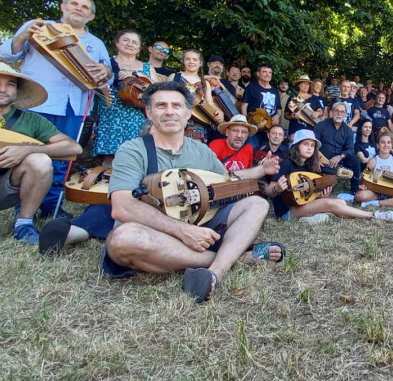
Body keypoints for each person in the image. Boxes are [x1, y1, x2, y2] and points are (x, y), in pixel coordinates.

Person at [96, 81, 283, 303]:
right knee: (122, 240)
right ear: (148, 112)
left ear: (187, 114)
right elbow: (123, 206)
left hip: (200, 222)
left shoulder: (201, 151)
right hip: (154, 233)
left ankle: (216, 271)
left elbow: (229, 181)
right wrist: (183, 231)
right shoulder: (132, 150)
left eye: (176, 106)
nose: (169, 112)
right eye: (161, 106)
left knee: (257, 204)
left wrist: (261, 170)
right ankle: (235, 257)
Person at [0, 0, 113, 218]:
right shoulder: (40, 28)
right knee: (27, 155)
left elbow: (107, 77)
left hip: (74, 108)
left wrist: (106, 71)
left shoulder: (96, 44)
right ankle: (23, 207)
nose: (79, 9)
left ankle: (52, 207)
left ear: (91, 16)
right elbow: (8, 55)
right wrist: (23, 37)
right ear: (63, 6)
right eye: (74, 4)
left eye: (85, 7)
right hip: (36, 104)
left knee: (64, 159)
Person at [0, 63, 82, 244]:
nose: (2, 89)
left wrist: (27, 150)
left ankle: (24, 224)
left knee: (39, 160)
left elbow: (74, 148)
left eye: (10, 84)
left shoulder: (31, 120)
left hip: (6, 186)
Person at [266, 130, 393, 224]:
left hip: (301, 204)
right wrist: (277, 188)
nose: (310, 148)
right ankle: (373, 215)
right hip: (287, 210)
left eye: (312, 146)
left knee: (341, 202)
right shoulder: (287, 164)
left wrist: (321, 196)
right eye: (305, 144)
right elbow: (269, 191)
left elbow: (306, 194)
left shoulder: (310, 166)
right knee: (329, 204)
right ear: (296, 146)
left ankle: (317, 215)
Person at [93, 29, 157, 167]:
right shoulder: (107, 64)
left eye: (135, 42)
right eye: (126, 40)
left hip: (138, 116)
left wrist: (135, 76)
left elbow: (157, 90)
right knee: (110, 157)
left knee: (137, 157)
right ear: (117, 43)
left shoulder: (147, 67)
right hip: (111, 114)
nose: (130, 44)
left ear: (139, 48)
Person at [314, 102, 361, 198]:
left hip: (340, 159)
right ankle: (331, 177)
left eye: (342, 112)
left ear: (345, 114)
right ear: (332, 112)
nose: (339, 114)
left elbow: (350, 150)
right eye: (337, 111)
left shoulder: (348, 130)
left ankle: (355, 191)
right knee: (319, 167)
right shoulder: (321, 125)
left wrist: (340, 156)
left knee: (355, 161)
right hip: (322, 160)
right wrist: (315, 160)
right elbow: (313, 144)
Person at [354, 131, 393, 209]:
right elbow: (365, 179)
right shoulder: (373, 161)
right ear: (378, 145)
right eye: (383, 142)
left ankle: (376, 203)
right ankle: (388, 202)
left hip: (392, 192)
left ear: (391, 145)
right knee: (359, 196)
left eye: (388, 143)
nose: (386, 145)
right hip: (376, 192)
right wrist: (363, 186)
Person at [174, 49, 222, 143]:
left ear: (200, 63)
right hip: (176, 118)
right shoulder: (174, 77)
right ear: (183, 61)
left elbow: (209, 103)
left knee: (194, 152)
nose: (191, 62)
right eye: (188, 59)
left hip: (198, 121)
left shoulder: (204, 83)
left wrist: (218, 112)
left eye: (194, 60)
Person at [240, 64, 282, 140]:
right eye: (264, 72)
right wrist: (247, 125)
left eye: (270, 72)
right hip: (254, 127)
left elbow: (279, 110)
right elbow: (244, 106)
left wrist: (277, 116)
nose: (267, 74)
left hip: (270, 129)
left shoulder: (275, 91)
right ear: (258, 74)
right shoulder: (251, 87)